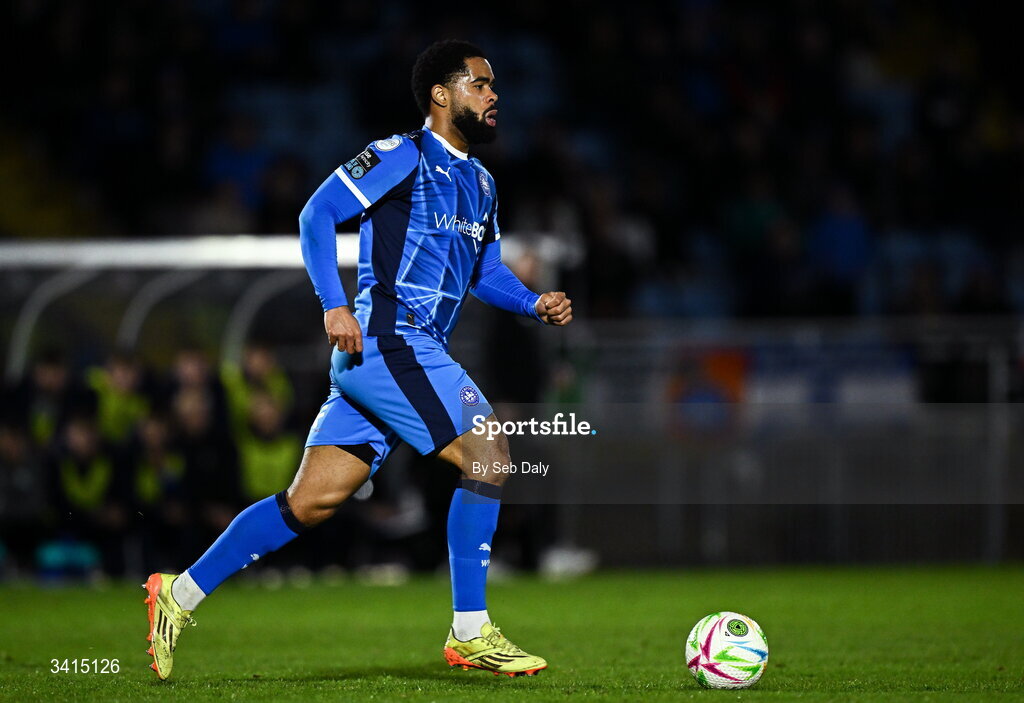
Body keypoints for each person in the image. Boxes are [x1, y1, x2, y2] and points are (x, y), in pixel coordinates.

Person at [143, 39, 572, 680]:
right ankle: (471, 631)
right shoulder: (401, 156)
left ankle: (176, 593)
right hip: (391, 340)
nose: (493, 95)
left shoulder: (480, 183)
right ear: (440, 94)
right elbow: (318, 213)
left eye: (493, 85)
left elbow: (485, 272)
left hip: (391, 358)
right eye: (479, 84)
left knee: (310, 503)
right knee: (490, 454)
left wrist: (533, 301)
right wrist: (332, 304)